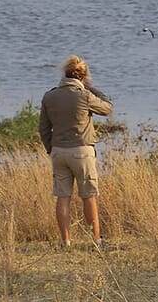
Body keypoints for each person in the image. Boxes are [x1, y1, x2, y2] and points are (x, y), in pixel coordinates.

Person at [40, 55, 113, 249]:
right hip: (82, 150)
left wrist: (51, 148)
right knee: (88, 196)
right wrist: (91, 87)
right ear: (82, 76)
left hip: (58, 151)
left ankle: (66, 242)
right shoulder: (84, 95)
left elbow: (44, 128)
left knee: (62, 196)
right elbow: (107, 108)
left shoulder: (50, 96)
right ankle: (95, 240)